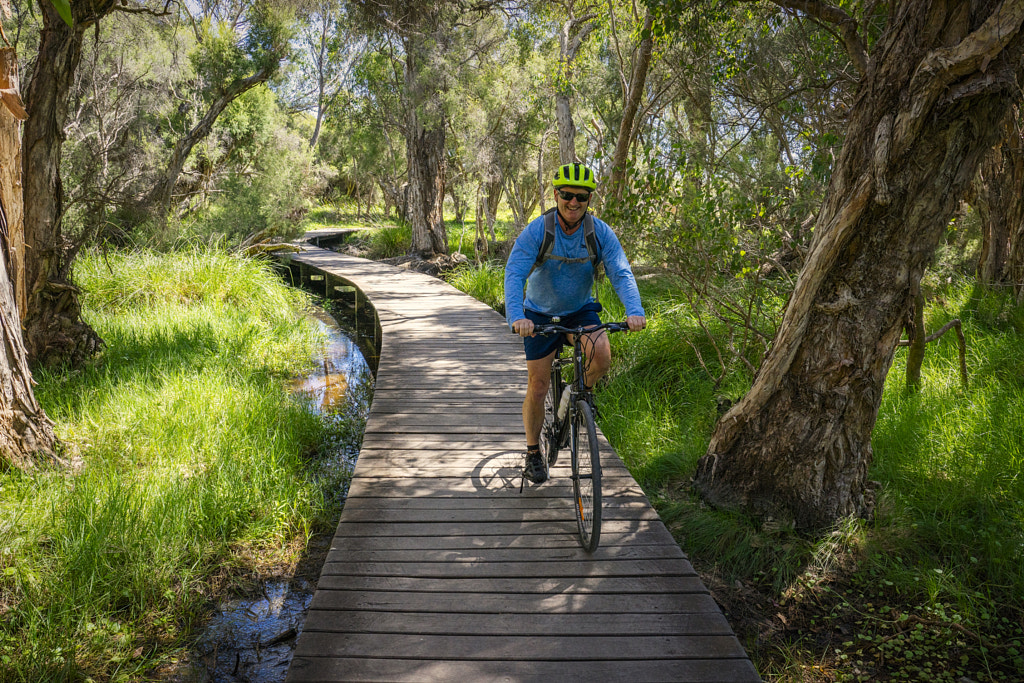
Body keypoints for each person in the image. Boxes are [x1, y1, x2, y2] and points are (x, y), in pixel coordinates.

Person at [504, 162, 646, 484]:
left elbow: (620, 272)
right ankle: (532, 453)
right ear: (556, 195)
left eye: (581, 198)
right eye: (567, 195)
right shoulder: (540, 231)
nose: (573, 203)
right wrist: (517, 316)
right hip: (538, 315)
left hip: (579, 311)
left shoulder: (599, 233)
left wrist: (634, 310)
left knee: (602, 356)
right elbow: (514, 273)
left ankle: (574, 397)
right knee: (538, 387)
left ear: (588, 200)